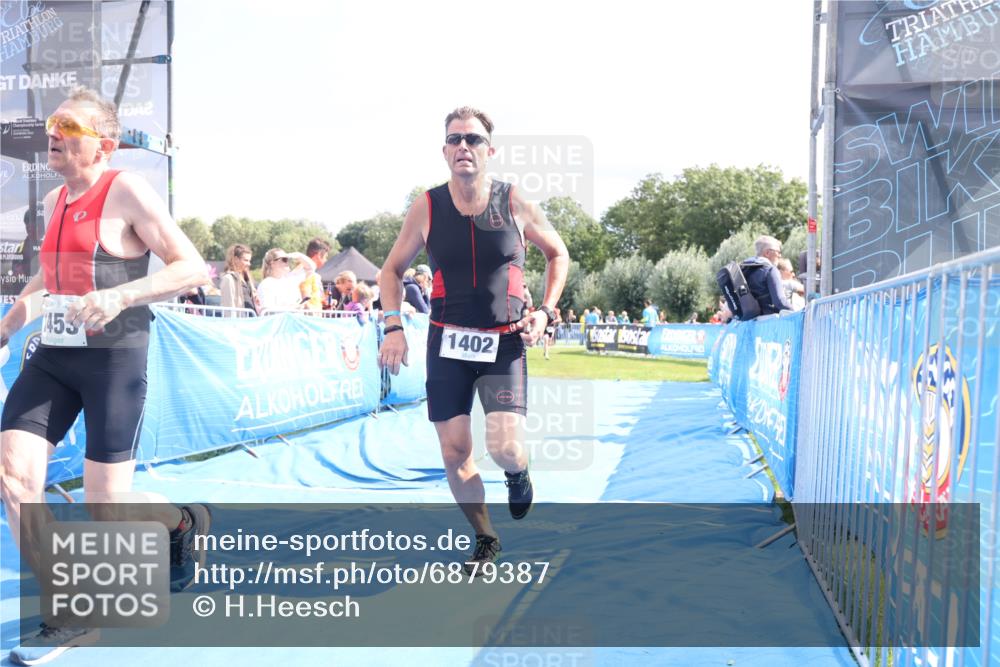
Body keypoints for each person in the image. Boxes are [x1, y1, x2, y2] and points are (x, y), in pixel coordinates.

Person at [0, 88, 212, 664]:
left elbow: (192, 266)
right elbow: (43, 284)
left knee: (105, 509)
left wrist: (121, 293)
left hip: (114, 359)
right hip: (54, 357)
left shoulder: (127, 190)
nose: (55, 131)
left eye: (70, 124)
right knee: (14, 476)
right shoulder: (53, 199)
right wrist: (6, 328)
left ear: (105, 145)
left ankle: (179, 521)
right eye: (52, 121)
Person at [378, 106, 569, 574]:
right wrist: (393, 326)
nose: (464, 146)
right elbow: (390, 271)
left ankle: (517, 472)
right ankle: (485, 537)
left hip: (504, 341)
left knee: (504, 446)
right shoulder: (427, 206)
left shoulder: (514, 201)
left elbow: (557, 253)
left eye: (474, 139)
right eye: (455, 139)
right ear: (445, 151)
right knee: (454, 450)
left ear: (490, 150)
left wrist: (545, 311)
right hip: (447, 343)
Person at [743, 236, 793, 315]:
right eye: (778, 252)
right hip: (768, 321)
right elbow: (780, 302)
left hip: (749, 322)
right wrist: (796, 312)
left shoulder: (745, 270)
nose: (780, 256)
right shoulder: (770, 270)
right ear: (767, 253)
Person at [256, 248, 316, 314]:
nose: (287, 262)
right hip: (279, 323)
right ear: (272, 263)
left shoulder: (290, 279)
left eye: (287, 259)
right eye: (284, 259)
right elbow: (267, 310)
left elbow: (311, 268)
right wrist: (293, 308)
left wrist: (298, 256)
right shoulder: (266, 284)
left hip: (293, 321)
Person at [219, 243, 258, 316]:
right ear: (236, 259)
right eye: (246, 260)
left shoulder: (248, 278)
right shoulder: (228, 279)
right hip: (239, 323)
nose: (249, 264)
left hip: (252, 321)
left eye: (249, 261)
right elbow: (228, 306)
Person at [299, 238, 332, 312]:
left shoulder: (316, 276)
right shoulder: (303, 274)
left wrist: (324, 302)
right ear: (319, 255)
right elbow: (304, 301)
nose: (326, 260)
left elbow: (315, 298)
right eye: (326, 257)